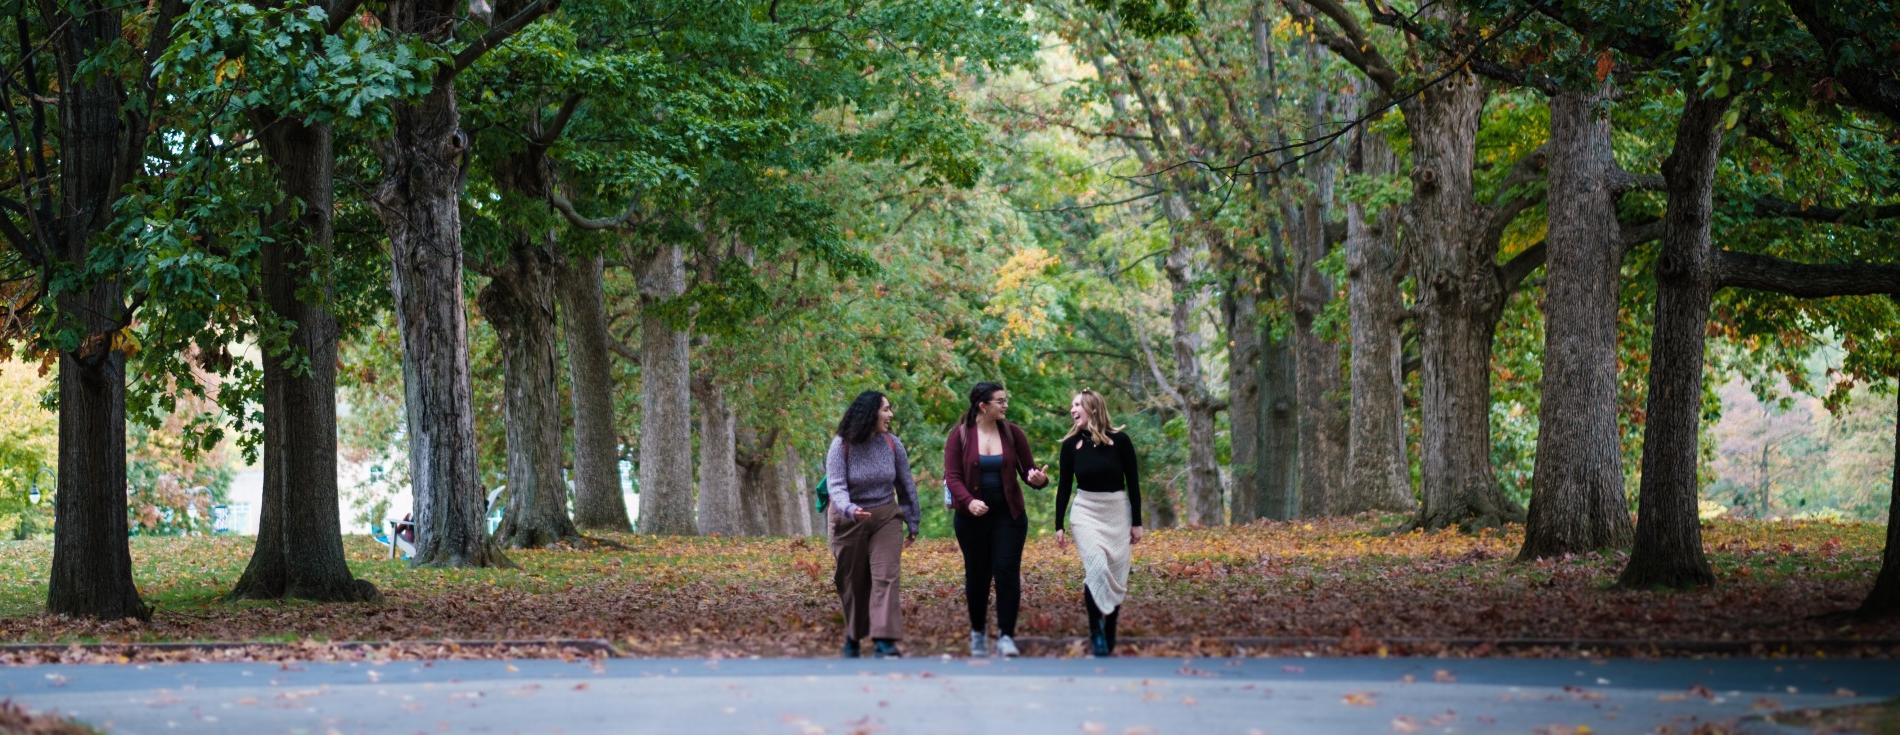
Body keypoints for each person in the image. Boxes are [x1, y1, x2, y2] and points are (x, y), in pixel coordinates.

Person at [944, 382, 1049, 658]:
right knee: (977, 575)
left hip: (1009, 516)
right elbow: (952, 477)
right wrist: (968, 501)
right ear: (983, 406)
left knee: (1006, 571)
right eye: (1000, 401)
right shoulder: (960, 436)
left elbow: (1030, 471)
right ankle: (978, 632)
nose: (1005, 405)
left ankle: (1006, 636)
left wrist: (1039, 479)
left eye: (1005, 400)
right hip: (971, 518)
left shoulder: (1013, 433)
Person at [826, 390, 919, 659]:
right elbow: (836, 486)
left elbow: (905, 485)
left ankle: (884, 640)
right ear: (869, 414)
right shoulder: (841, 445)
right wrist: (850, 508)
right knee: (852, 581)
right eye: (886, 409)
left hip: (886, 517)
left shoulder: (892, 444)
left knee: (886, 575)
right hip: (849, 518)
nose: (890, 415)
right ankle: (854, 634)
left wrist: (913, 520)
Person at [1053, 389, 1143, 657]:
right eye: (1072, 405)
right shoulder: (1070, 446)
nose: (1072, 409)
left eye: (1077, 404)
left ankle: (1110, 628)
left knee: (1116, 575)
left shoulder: (1121, 441)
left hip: (1116, 511)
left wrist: (1136, 522)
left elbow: (1134, 483)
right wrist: (1058, 524)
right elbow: (1064, 487)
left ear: (1092, 407)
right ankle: (1096, 632)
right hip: (1085, 512)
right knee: (1096, 567)